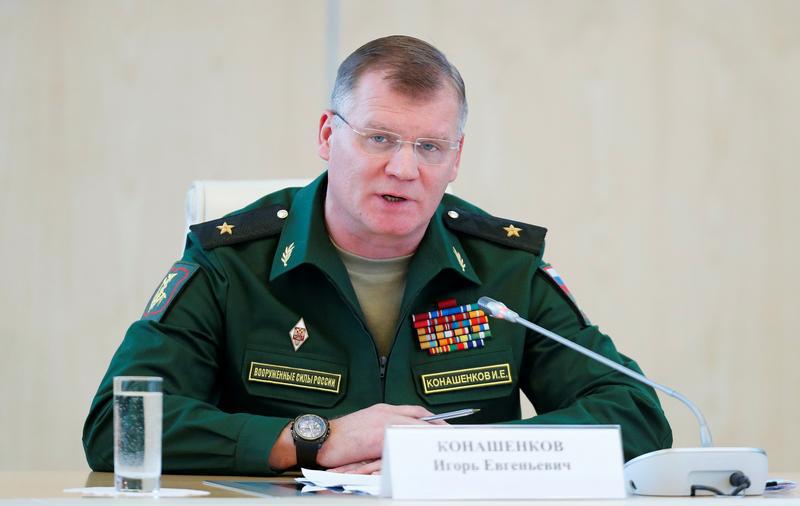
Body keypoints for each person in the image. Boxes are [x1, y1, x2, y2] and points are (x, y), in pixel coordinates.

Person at [83, 35, 672, 475]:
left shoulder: (502, 269)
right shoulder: (233, 263)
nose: (404, 168)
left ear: (456, 157)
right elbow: (119, 425)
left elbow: (637, 414)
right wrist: (313, 438)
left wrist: (450, 455)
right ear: (326, 135)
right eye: (379, 138)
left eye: (430, 146)